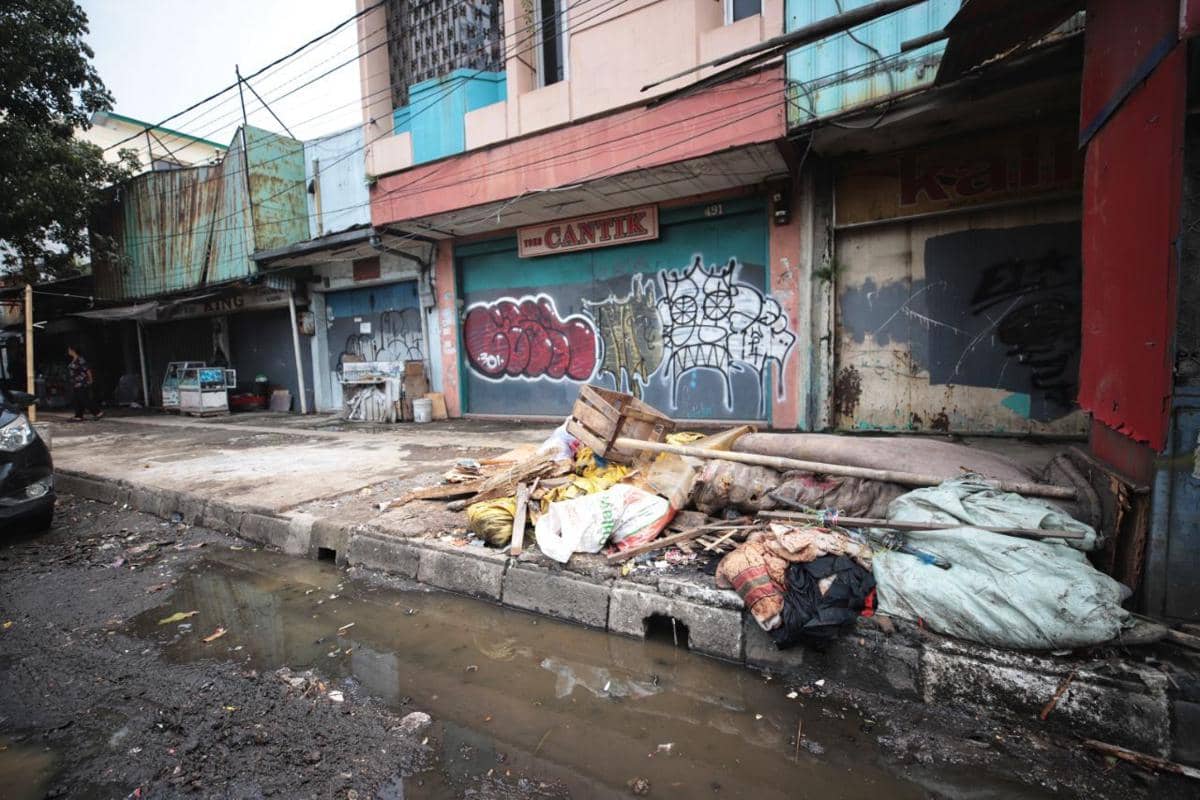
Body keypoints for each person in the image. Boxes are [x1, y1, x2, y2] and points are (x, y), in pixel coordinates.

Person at [67, 345, 103, 421]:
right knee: (76, 399)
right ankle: (78, 415)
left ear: (73, 350)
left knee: (84, 398)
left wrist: (90, 379)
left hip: (82, 382)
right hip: (75, 382)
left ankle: (97, 412)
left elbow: (87, 370)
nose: (68, 351)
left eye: (69, 350)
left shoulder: (80, 359)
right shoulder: (73, 360)